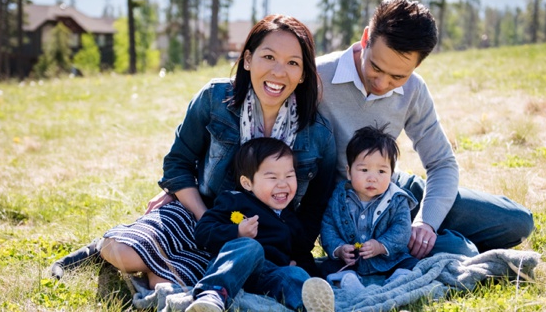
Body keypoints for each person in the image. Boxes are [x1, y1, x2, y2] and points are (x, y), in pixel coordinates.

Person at [49, 15, 337, 290]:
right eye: (269, 57)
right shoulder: (214, 99)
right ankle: (103, 247)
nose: (278, 71)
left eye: (292, 63)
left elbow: (314, 209)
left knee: (169, 283)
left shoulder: (318, 135)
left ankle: (158, 267)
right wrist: (203, 217)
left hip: (253, 237)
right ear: (248, 60)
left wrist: (292, 250)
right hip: (195, 210)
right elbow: (178, 163)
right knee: (124, 255)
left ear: (302, 75)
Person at [315, 0, 534, 260]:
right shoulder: (318, 77)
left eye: (398, 76)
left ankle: (426, 238)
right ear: (365, 39)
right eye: (376, 67)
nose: (382, 83)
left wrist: (426, 223)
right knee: (458, 252)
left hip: (394, 193)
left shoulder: (414, 89)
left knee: (517, 223)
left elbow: (442, 163)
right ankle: (446, 247)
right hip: (343, 208)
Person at [185, 137, 335, 312]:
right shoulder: (236, 201)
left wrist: (310, 273)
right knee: (250, 246)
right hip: (235, 265)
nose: (283, 184)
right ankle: (212, 295)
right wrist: (236, 232)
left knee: (295, 273)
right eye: (272, 178)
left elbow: (302, 253)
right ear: (247, 183)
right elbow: (204, 230)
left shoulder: (290, 218)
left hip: (269, 277)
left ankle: (314, 310)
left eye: (289, 176)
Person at [319, 124, 419, 284]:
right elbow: (328, 225)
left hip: (389, 261)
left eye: (381, 171)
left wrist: (381, 245)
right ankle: (348, 280)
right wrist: (339, 249)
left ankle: (398, 278)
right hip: (351, 263)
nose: (372, 178)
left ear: (391, 175)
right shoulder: (339, 199)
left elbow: (402, 229)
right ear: (349, 172)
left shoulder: (397, 199)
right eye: (364, 170)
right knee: (325, 268)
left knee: (411, 265)